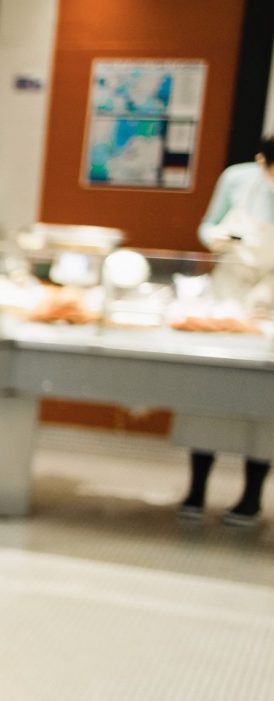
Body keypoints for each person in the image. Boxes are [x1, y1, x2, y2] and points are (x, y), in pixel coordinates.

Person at [174, 138, 274, 526]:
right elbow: (208, 225)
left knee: (265, 403)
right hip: (228, 289)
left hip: (269, 295)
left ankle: (251, 498)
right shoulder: (237, 180)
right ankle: (196, 490)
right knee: (208, 394)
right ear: (260, 159)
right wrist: (213, 238)